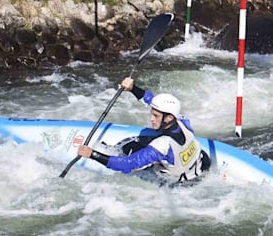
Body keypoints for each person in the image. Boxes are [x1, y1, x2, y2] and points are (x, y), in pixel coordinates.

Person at [77, 77, 210, 182]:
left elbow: (127, 165)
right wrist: (132, 88)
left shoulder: (162, 145)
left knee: (130, 147)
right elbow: (151, 99)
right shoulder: (183, 121)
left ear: (169, 118)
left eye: (156, 116)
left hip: (180, 182)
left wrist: (93, 154)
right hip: (201, 164)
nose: (151, 119)